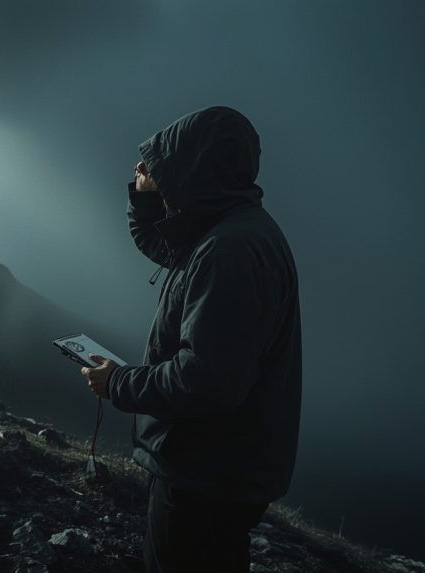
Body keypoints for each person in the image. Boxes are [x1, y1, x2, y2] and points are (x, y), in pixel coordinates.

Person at [79, 105, 302, 573]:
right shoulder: (233, 228)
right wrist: (145, 197)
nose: (151, 169)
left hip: (205, 474)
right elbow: (167, 246)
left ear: (195, 166)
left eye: (165, 163)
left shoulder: (228, 251)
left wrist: (118, 384)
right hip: (222, 466)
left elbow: (208, 380)